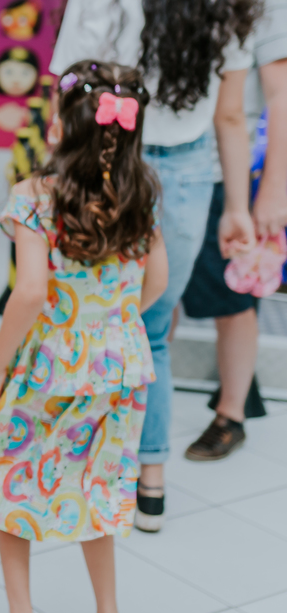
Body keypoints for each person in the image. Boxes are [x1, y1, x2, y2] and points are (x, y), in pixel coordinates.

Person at [0, 62, 168, 613]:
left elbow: (30, 292)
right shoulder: (141, 191)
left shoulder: (38, 195)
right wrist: (112, 324)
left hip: (53, 364)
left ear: (61, 129)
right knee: (96, 486)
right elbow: (157, 282)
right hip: (123, 365)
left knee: (8, 474)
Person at [49, 0, 259, 533]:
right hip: (187, 171)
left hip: (102, 167)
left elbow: (66, 95)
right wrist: (236, 207)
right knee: (153, 332)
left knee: (87, 320)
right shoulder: (228, 7)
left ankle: (78, 460)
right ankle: (150, 483)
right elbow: (230, 116)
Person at [180, 0, 287, 462]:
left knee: (232, 296)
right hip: (159, 166)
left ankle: (232, 413)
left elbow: (281, 92)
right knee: (152, 293)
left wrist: (274, 191)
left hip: (230, 171)